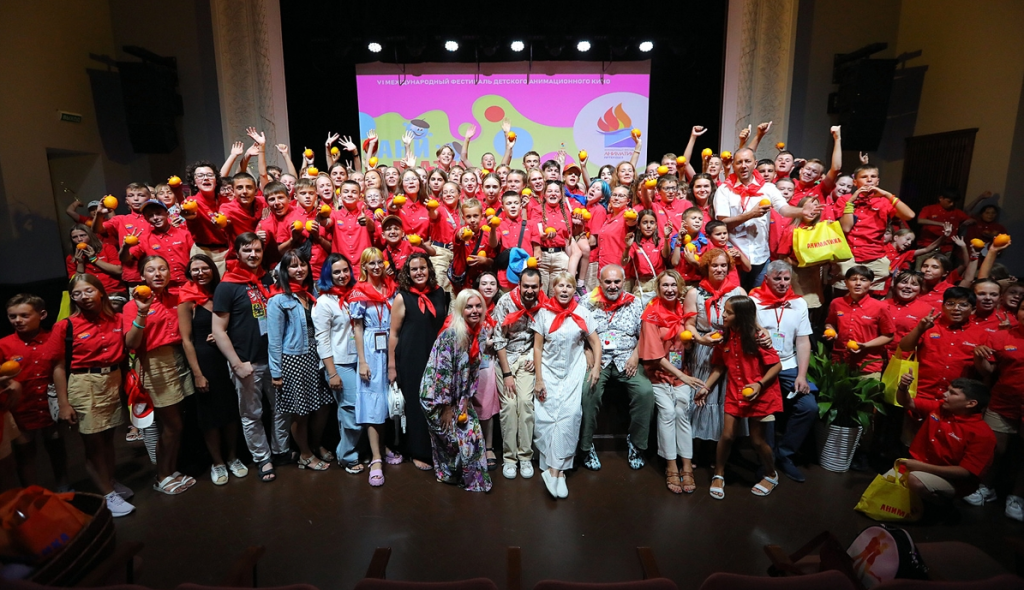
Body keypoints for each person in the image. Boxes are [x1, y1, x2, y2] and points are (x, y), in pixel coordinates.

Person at [50, 274, 142, 516]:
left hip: (112, 380)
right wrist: (64, 403)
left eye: (88, 290)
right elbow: (58, 367)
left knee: (108, 438)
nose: (83, 297)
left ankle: (109, 481)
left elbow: (130, 346)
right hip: (83, 383)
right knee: (93, 443)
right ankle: (106, 495)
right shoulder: (66, 326)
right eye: (77, 293)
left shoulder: (118, 319)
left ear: (101, 291)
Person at [212, 233, 289, 483]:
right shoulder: (227, 285)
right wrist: (236, 363)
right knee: (252, 414)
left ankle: (280, 450)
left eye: (257, 250)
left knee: (281, 409)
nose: (253, 255)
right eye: (247, 250)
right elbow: (218, 330)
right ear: (237, 253)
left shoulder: (267, 279)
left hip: (274, 360)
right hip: (247, 361)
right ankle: (263, 458)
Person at [123, 256, 196, 494]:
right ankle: (161, 475)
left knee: (178, 424)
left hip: (178, 358)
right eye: (151, 270)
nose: (157, 274)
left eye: (162, 269)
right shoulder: (132, 305)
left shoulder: (177, 297)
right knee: (172, 425)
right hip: (154, 363)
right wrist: (142, 313)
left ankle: (172, 470)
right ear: (142, 276)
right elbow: (131, 344)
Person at [698, 296, 784, 499]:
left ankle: (771, 474)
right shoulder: (723, 338)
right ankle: (718, 474)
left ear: (741, 316)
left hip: (760, 394)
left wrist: (759, 384)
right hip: (735, 392)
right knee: (727, 436)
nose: (723, 315)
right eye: (724, 310)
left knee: (757, 440)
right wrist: (706, 387)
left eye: (728, 312)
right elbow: (719, 367)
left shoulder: (757, 337)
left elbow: (777, 366)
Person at [577, 265, 654, 471]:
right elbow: (577, 332)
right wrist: (587, 351)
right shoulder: (587, 302)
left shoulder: (635, 302)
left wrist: (636, 355)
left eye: (617, 281)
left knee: (645, 392)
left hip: (626, 358)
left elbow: (644, 334)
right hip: (598, 360)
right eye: (608, 282)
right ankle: (586, 446)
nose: (613, 286)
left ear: (624, 282)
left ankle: (636, 444)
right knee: (588, 391)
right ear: (600, 282)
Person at [178, 255, 245, 486]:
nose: (200, 273)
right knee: (210, 417)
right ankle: (217, 462)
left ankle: (233, 457)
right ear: (189, 273)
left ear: (213, 270)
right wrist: (197, 374)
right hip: (205, 363)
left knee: (230, 412)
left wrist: (221, 335)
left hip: (227, 358)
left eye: (204, 268)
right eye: (195, 269)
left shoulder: (221, 293)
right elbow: (186, 340)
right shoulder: (186, 300)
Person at [533, 272, 601, 499]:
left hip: (573, 370)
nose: (564, 290)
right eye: (560, 286)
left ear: (574, 290)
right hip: (549, 371)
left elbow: (596, 343)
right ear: (553, 289)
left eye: (569, 286)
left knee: (570, 416)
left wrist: (596, 367)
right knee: (548, 417)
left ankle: (556, 472)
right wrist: (539, 378)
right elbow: (538, 348)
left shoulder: (583, 313)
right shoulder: (543, 314)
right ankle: (558, 472)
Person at [638, 270, 707, 494]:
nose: (669, 289)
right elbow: (655, 356)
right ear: (658, 289)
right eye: (665, 285)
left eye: (673, 285)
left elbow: (688, 342)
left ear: (679, 288)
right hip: (658, 372)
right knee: (667, 412)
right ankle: (671, 465)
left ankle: (686, 464)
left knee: (681, 411)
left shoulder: (683, 310)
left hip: (681, 371)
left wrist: (690, 345)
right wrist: (683, 377)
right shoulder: (650, 314)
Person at [749, 261, 818, 482]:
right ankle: (766, 460)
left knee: (809, 407)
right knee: (767, 412)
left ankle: (784, 454)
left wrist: (801, 375)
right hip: (763, 367)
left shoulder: (799, 303)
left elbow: (803, 341)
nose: (782, 283)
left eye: (786, 279)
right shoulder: (754, 301)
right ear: (766, 279)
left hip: (789, 366)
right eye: (777, 278)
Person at [267, 250, 335, 472]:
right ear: (285, 271)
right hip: (294, 360)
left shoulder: (311, 293)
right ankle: (305, 454)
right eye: (293, 266)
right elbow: (274, 340)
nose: (299, 269)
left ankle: (314, 444)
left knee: (323, 406)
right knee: (301, 411)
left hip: (315, 357)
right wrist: (276, 372)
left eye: (302, 264)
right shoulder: (278, 299)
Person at [419, 289, 492, 492]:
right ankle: (447, 474)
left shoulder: (480, 333)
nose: (474, 310)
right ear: (461, 310)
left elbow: (474, 370)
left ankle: (472, 479)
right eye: (469, 307)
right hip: (436, 397)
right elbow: (442, 373)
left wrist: (466, 399)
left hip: (460, 394)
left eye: (478, 306)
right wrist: (445, 407)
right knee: (449, 439)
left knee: (471, 434)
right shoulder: (451, 334)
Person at [388, 253, 450, 471]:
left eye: (422, 268)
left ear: (429, 269)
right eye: (414, 269)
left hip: (435, 356)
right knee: (415, 405)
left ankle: (436, 448)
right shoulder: (402, 297)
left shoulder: (439, 293)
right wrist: (392, 366)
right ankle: (417, 451)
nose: (419, 272)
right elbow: (394, 334)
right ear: (408, 273)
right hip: (411, 357)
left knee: (435, 402)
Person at [895, 373, 996, 505]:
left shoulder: (983, 434)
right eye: (948, 390)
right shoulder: (940, 408)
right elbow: (907, 402)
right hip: (917, 467)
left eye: (952, 393)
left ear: (971, 403)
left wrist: (921, 467)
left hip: (950, 480)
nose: (944, 394)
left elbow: (965, 472)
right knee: (883, 489)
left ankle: (942, 508)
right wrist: (903, 387)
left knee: (914, 481)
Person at [2, 295, 68, 490]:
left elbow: (59, 368)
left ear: (42, 315)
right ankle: (32, 494)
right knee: (26, 455)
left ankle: (64, 488)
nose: (18, 320)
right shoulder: (4, 344)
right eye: (12, 316)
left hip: (49, 405)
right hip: (21, 408)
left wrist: (64, 403)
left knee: (56, 448)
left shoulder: (53, 339)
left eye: (24, 315)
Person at [683, 248, 747, 444]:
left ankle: (724, 449)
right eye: (715, 265)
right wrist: (701, 340)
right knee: (703, 395)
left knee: (727, 396)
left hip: (732, 349)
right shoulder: (694, 293)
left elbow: (747, 322)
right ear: (706, 267)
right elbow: (689, 325)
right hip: (704, 349)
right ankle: (698, 447)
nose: (719, 269)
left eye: (723, 265)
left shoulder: (738, 292)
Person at [970, 304, 1024, 519]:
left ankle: (1017, 496)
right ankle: (985, 487)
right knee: (994, 449)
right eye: (1023, 309)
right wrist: (979, 356)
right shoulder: (1001, 336)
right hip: (1003, 402)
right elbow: (988, 371)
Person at [350, 247, 398, 486]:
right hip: (371, 347)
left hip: (390, 345)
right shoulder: (359, 292)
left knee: (388, 401)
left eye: (380, 262)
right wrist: (362, 361)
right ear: (364, 267)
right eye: (372, 263)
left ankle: (384, 446)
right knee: (372, 403)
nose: (377, 267)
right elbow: (357, 328)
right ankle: (376, 458)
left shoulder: (391, 289)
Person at [492, 268, 543, 479]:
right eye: (526, 286)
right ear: (519, 285)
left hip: (527, 359)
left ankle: (525, 456)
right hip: (506, 358)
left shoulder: (543, 305)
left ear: (540, 287)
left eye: (534, 287)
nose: (530, 291)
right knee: (509, 405)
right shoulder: (505, 302)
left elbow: (543, 337)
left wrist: (532, 355)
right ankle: (509, 458)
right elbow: (498, 340)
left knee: (525, 403)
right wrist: (507, 374)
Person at [834, 166, 916, 293]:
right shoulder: (845, 199)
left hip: (875, 256)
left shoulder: (884, 201)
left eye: (873, 177)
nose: (869, 180)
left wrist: (887, 194)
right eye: (864, 177)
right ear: (855, 182)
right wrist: (851, 201)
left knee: (873, 297)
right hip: (849, 255)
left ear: (877, 181)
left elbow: (910, 215)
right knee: (843, 296)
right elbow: (846, 227)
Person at [823, 266, 895, 378]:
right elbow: (830, 322)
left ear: (871, 284)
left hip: (868, 364)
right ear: (846, 283)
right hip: (840, 362)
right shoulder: (836, 303)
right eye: (853, 279)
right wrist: (831, 331)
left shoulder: (881, 307)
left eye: (863, 280)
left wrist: (865, 345)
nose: (858, 283)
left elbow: (889, 335)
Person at [120, 200, 194, 294]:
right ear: (146, 219)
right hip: (162, 290)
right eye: (150, 215)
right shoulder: (144, 239)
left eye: (158, 213)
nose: (155, 218)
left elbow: (196, 258)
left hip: (189, 286)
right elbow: (124, 258)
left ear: (167, 214)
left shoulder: (185, 234)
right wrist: (126, 247)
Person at [472, 272, 501, 470]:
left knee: (487, 405)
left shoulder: (500, 308)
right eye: (484, 283)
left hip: (488, 362)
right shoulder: (470, 305)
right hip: (470, 362)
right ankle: (473, 445)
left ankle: (488, 446)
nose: (488, 287)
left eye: (492, 283)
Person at [66, 224, 124, 304]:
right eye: (74, 237)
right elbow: (75, 283)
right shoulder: (71, 258)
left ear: (90, 235)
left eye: (83, 235)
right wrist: (80, 263)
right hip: (89, 294)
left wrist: (94, 259)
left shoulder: (107, 248)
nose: (79, 239)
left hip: (113, 291)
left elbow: (118, 270)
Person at [917, 189, 973, 254]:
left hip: (947, 247)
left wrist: (965, 223)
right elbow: (920, 220)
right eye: (949, 201)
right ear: (941, 198)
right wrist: (941, 224)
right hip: (928, 244)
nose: (952, 204)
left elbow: (972, 220)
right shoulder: (929, 209)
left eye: (954, 202)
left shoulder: (957, 212)